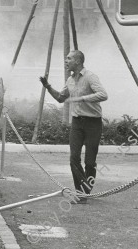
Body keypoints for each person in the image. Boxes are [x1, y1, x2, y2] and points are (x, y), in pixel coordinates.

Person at [39, 50, 108, 204]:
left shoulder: (90, 77)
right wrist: (47, 86)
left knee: (90, 162)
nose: (66, 61)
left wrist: (83, 98)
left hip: (93, 123)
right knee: (73, 158)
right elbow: (60, 98)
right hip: (77, 122)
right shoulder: (70, 80)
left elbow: (103, 95)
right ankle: (81, 192)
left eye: (68, 58)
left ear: (77, 61)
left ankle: (85, 191)